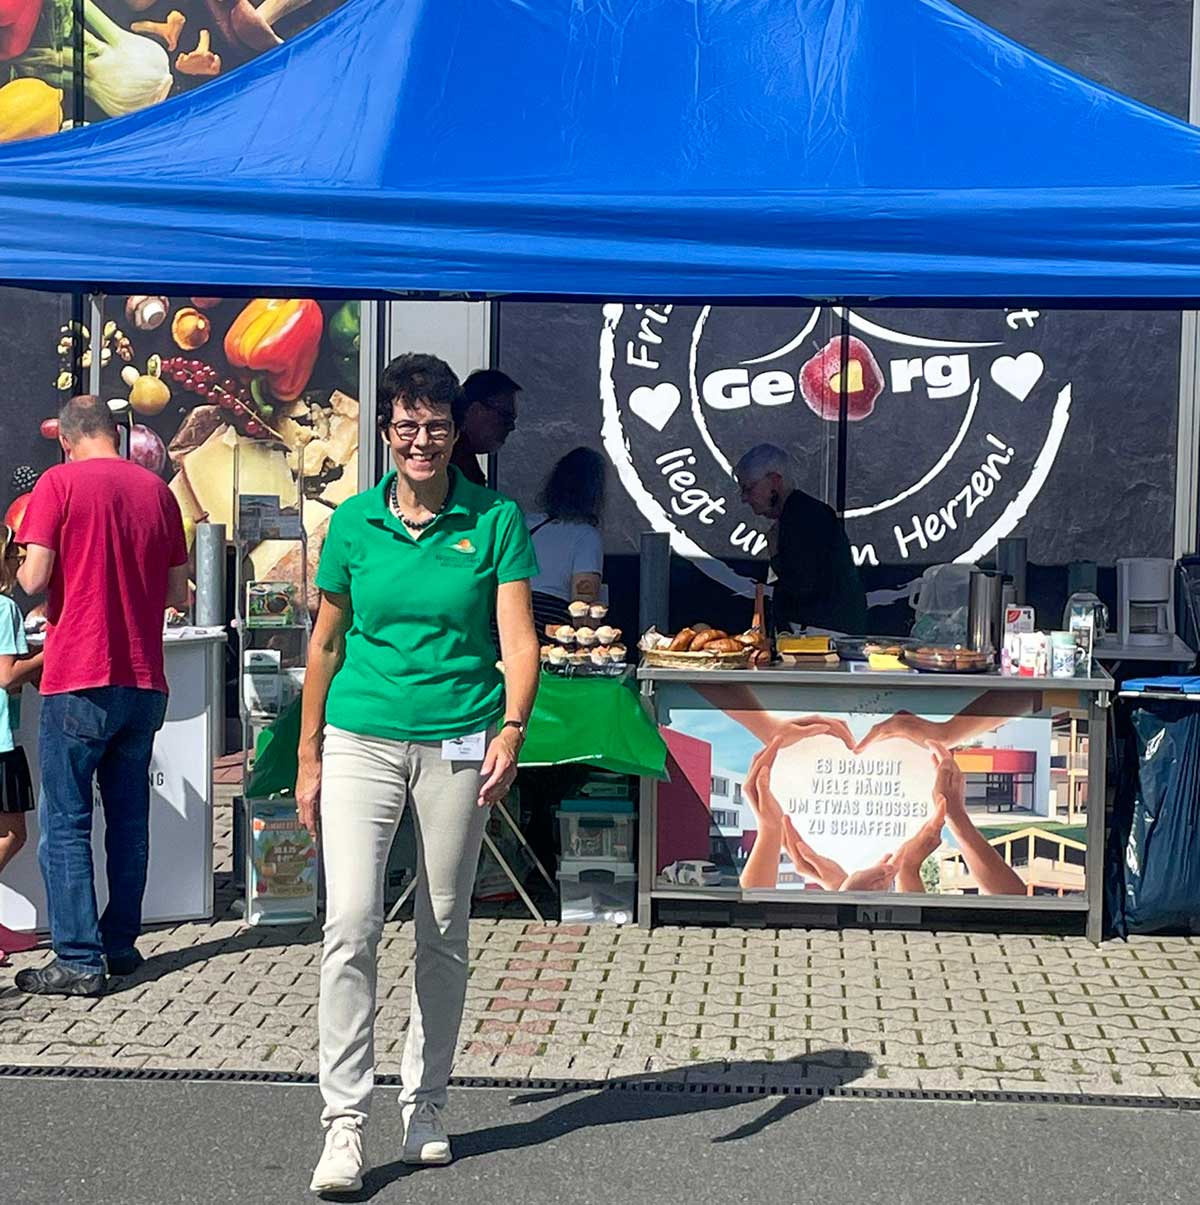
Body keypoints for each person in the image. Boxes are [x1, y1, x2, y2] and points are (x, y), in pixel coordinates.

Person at [298, 353, 540, 1194]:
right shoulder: (353, 522)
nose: (422, 440)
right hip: (360, 736)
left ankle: (426, 1104)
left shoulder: (494, 519)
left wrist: (513, 726)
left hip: (460, 740)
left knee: (442, 928)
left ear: (454, 430)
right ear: (387, 430)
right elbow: (326, 642)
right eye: (407, 425)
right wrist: (307, 754)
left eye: (436, 425)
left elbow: (519, 641)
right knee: (351, 922)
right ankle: (343, 1122)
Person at [14, 395, 188, 997]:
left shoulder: (58, 484)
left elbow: (34, 578)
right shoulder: (158, 491)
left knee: (66, 822)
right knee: (129, 819)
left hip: (79, 676)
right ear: (115, 433)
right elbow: (179, 593)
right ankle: (119, 944)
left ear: (66, 440)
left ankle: (78, 959)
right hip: (143, 679)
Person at [734, 443, 868, 635]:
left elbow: (803, 584)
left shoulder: (804, 516)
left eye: (748, 488)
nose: (744, 498)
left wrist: (776, 555)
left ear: (774, 481)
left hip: (821, 633)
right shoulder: (800, 513)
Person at [0, 524, 44, 963]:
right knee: (14, 833)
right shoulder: (5, 609)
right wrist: (49, 653)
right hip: (0, 741)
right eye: (16, 554)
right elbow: (6, 675)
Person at [525, 446, 606, 631]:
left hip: (505, 616)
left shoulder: (525, 523)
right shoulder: (586, 536)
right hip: (551, 620)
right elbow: (582, 605)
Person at [449, 368, 521, 485]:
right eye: (506, 416)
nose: (511, 427)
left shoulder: (459, 454)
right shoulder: (448, 459)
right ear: (476, 411)